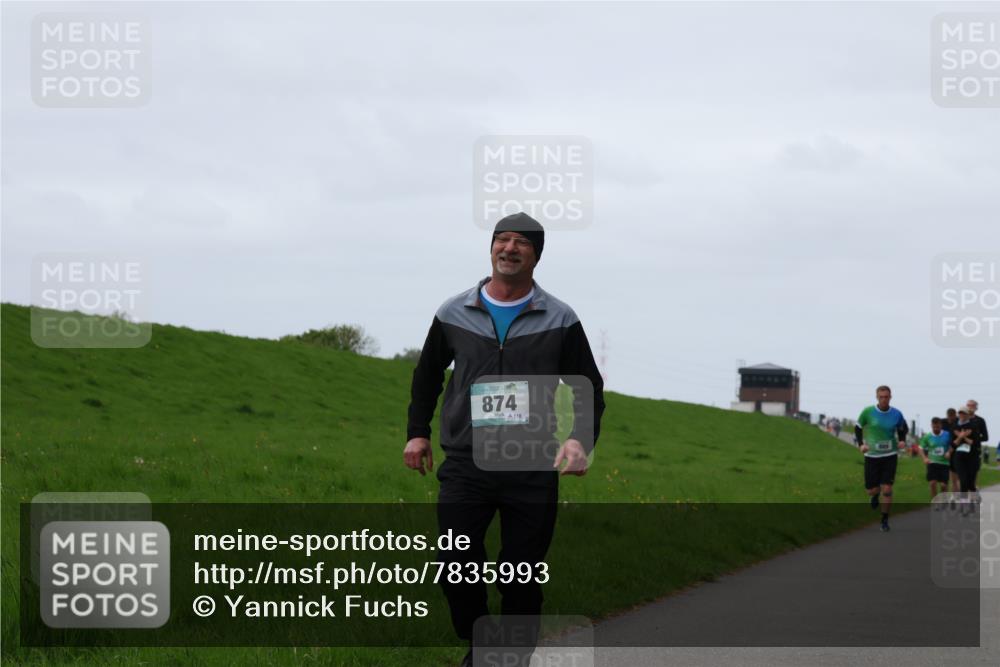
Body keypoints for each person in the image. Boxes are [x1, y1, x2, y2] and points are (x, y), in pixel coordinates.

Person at [404, 212, 605, 667]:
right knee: (456, 565)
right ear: (491, 247)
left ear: (536, 255)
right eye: (502, 239)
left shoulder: (560, 318)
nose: (509, 248)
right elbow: (427, 375)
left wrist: (579, 440)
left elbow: (587, 386)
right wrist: (417, 433)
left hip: (531, 464)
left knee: (520, 576)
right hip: (466, 462)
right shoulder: (453, 312)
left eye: (521, 242)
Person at [854, 385, 908, 532]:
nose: (884, 399)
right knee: (871, 490)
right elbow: (858, 427)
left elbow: (903, 428)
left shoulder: (896, 414)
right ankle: (874, 495)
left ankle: (884, 520)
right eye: (881, 397)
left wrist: (902, 440)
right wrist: (861, 444)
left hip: (890, 455)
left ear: (890, 397)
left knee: (887, 488)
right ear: (877, 397)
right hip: (872, 455)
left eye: (886, 397)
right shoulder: (868, 412)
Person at [951, 408, 983, 516]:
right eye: (960, 413)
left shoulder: (973, 426)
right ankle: (964, 506)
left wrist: (962, 437)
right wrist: (961, 437)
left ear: (968, 415)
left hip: (972, 457)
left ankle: (974, 495)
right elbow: (953, 444)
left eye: (964, 413)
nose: (962, 415)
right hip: (959, 457)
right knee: (963, 481)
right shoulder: (955, 426)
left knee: (970, 483)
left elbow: (976, 443)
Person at [919, 417, 952, 507]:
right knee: (932, 483)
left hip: (944, 463)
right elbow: (920, 448)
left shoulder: (947, 434)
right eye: (934, 427)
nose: (936, 429)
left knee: (943, 485)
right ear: (931, 426)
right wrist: (924, 458)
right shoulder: (928, 436)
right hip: (932, 463)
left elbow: (952, 445)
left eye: (937, 427)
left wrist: (949, 452)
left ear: (941, 425)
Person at [942, 407, 960, 501]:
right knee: (948, 474)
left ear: (955, 415)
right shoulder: (942, 422)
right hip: (945, 449)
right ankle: (951, 495)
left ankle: (956, 494)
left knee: (955, 475)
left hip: (956, 449)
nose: (951, 418)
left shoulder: (958, 422)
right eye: (949, 416)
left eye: (952, 416)